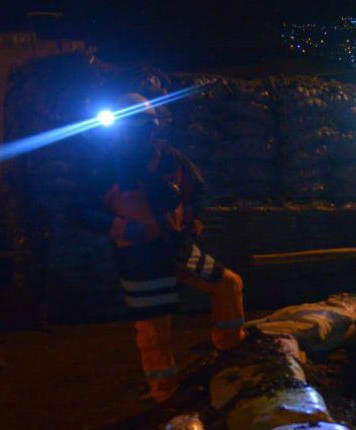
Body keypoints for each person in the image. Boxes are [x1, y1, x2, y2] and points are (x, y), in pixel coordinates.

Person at [82, 93, 245, 403]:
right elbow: (82, 211)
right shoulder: (103, 168)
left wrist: (195, 220)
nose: (136, 134)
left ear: (152, 128)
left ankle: (230, 353)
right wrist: (125, 229)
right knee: (155, 330)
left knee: (228, 284)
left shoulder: (171, 160)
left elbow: (197, 191)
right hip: (139, 260)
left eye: (142, 126)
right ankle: (165, 396)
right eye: (129, 127)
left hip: (176, 249)